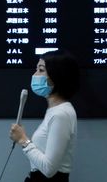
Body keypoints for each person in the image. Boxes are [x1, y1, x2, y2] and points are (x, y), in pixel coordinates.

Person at [9, 49, 80, 182]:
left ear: (57, 76)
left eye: (41, 70)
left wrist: (23, 140)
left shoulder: (61, 114)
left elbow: (49, 169)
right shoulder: (54, 111)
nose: (35, 75)